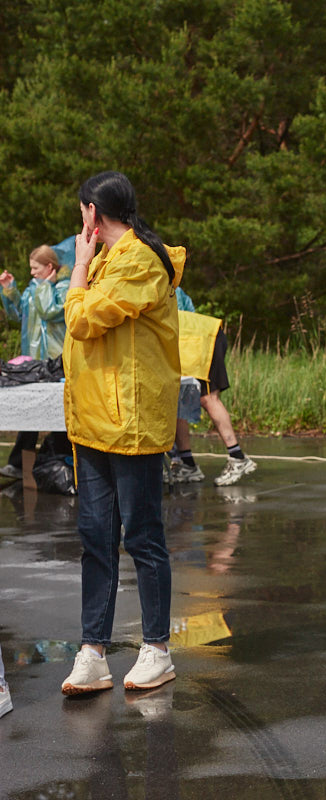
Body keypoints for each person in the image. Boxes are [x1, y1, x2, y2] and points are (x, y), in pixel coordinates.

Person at [59, 171, 184, 695]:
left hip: (129, 422)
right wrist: (88, 266)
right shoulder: (113, 258)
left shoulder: (137, 261)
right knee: (96, 539)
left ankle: (156, 647)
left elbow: (81, 320)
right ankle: (94, 650)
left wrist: (80, 266)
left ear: (93, 212)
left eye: (82, 212)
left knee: (142, 536)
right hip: (93, 422)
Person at [0, 246, 71, 480]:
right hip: (34, 359)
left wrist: (46, 287)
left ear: (50, 267)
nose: (31, 273)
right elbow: (19, 316)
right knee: (30, 407)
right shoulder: (34, 288)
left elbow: (51, 311)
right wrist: (10, 291)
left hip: (56, 360)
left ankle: (62, 464)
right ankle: (19, 463)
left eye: (35, 268)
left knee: (61, 412)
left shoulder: (64, 288)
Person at [168, 298, 256, 486]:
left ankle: (238, 457)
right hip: (186, 342)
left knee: (208, 398)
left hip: (201, 341)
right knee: (176, 399)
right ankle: (187, 463)